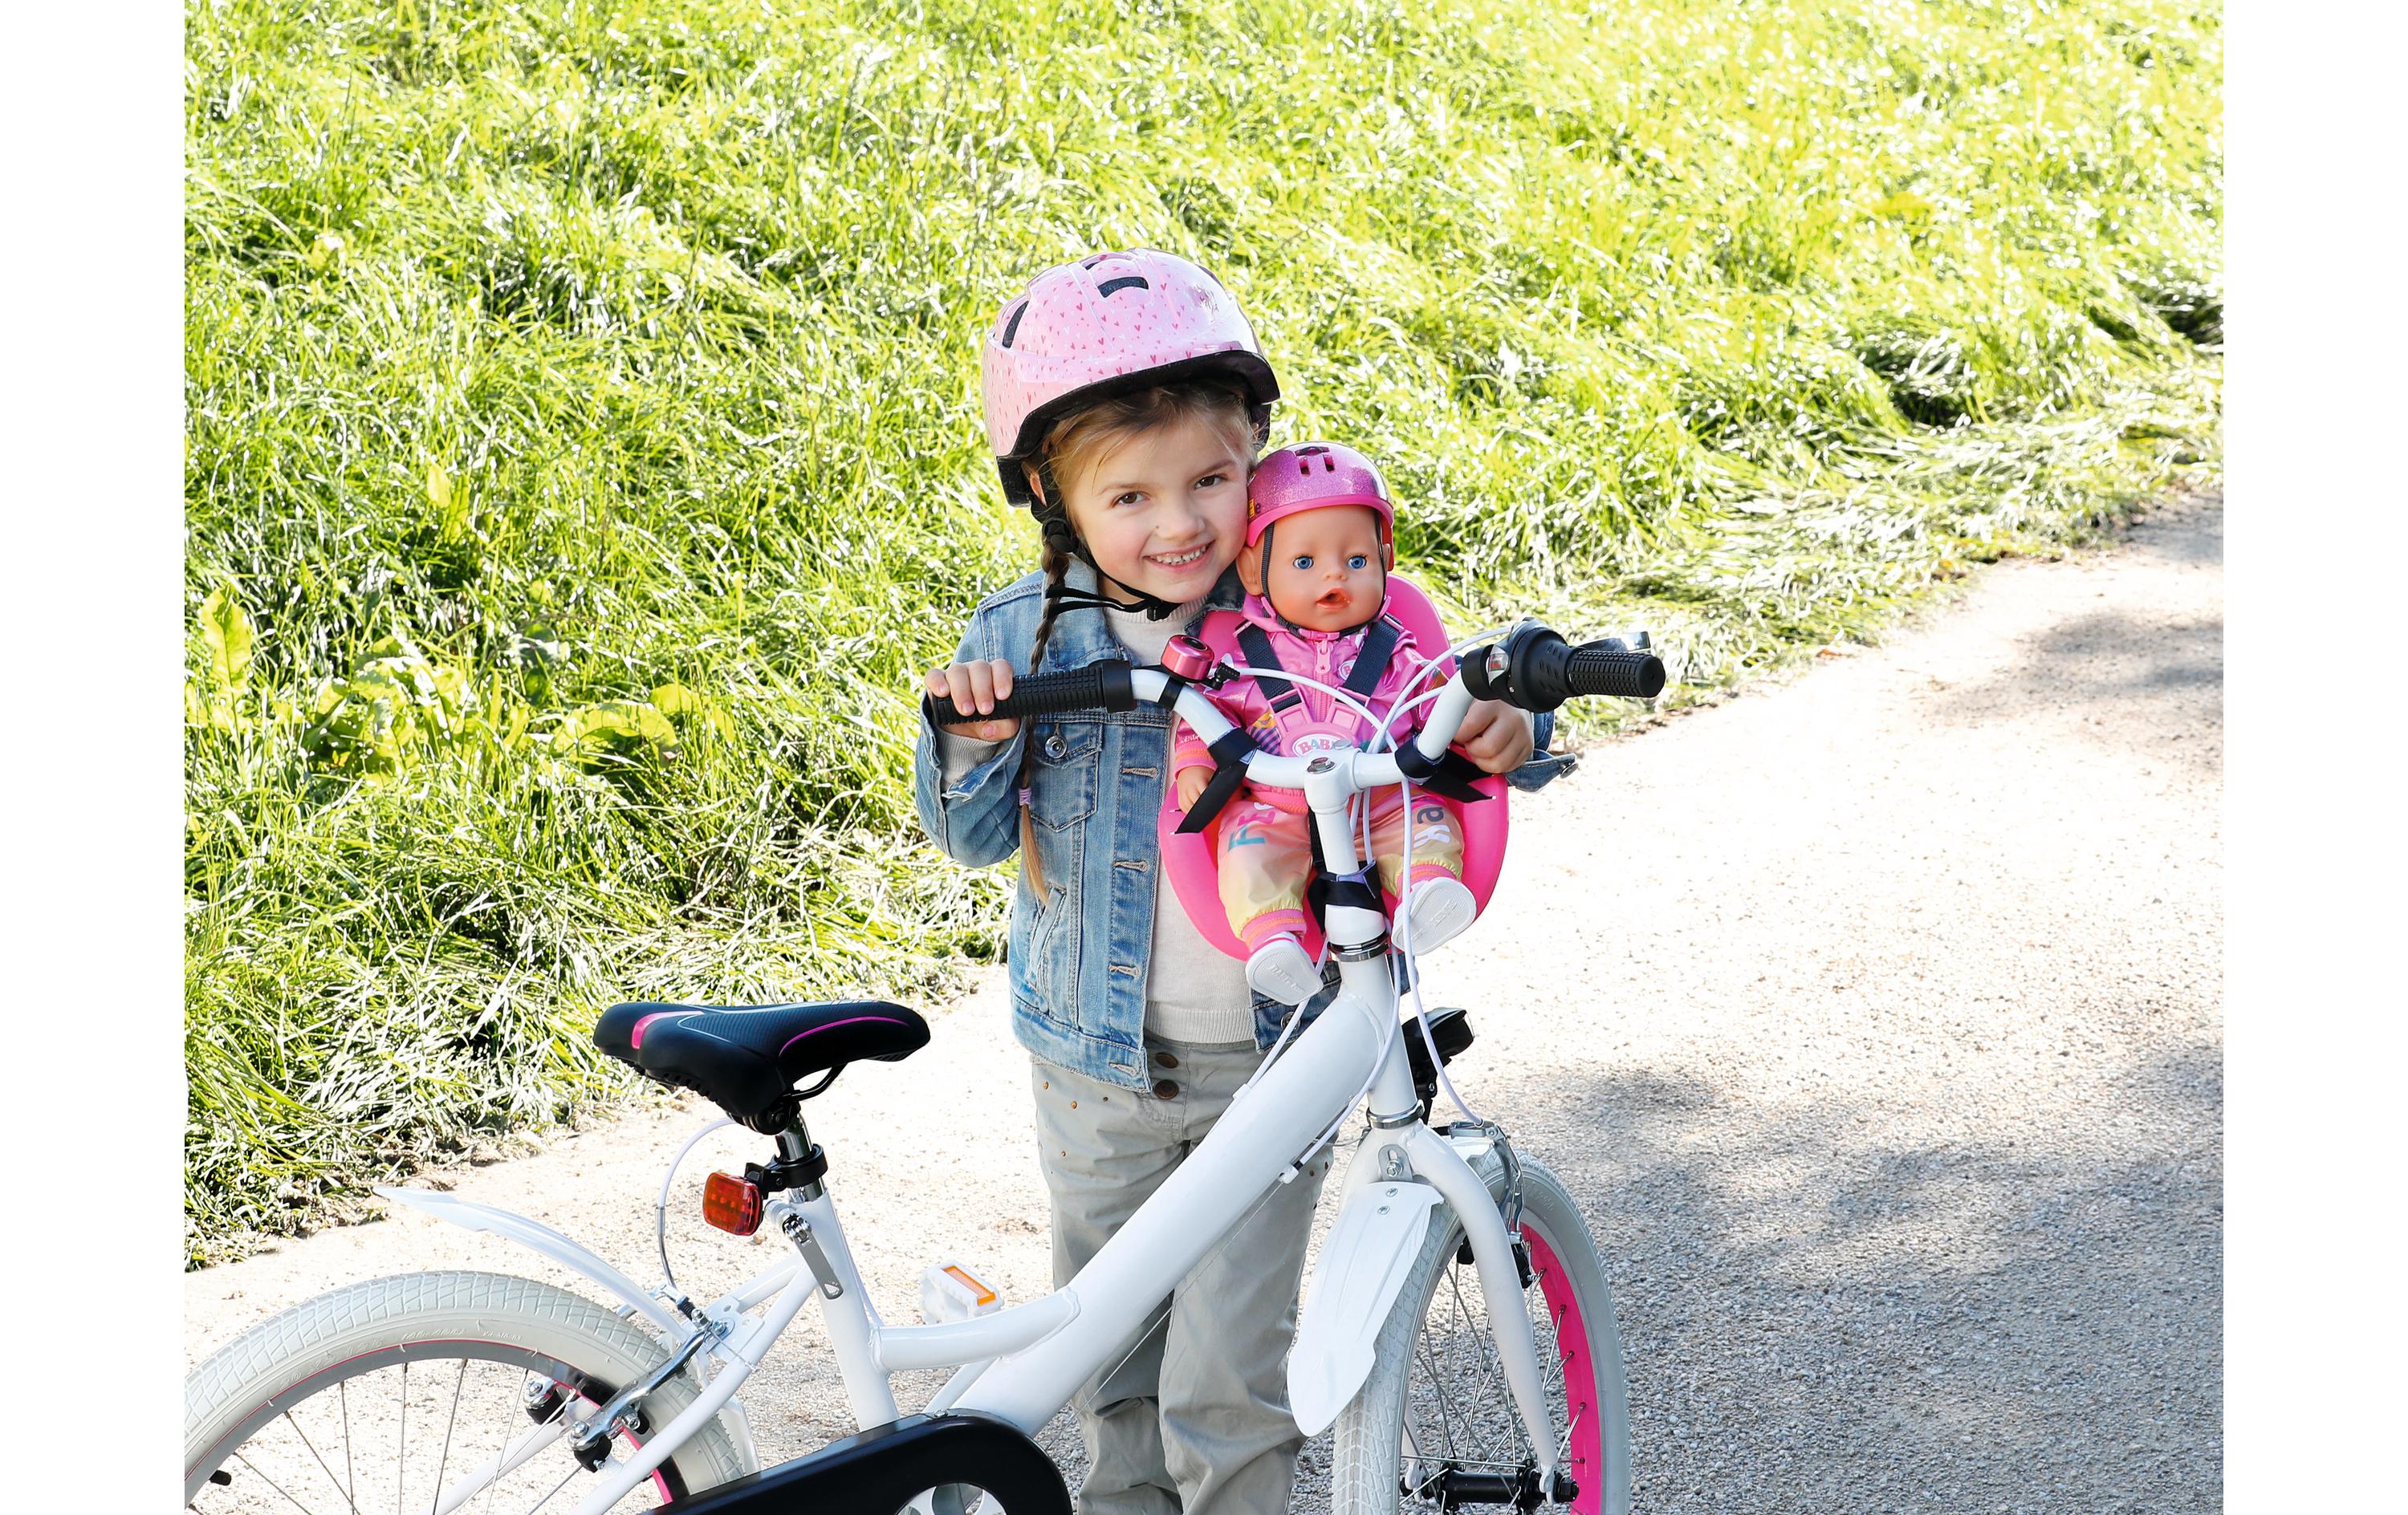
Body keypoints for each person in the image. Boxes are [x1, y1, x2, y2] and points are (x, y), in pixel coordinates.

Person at [912, 248, 1531, 1515]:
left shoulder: (1325, 619)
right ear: (1052, 496)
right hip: (1096, 1068)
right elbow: (972, 842)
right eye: (1129, 496)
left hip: (1274, 1056)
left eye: (1209, 479)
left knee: (1230, 1385)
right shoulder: (1027, 638)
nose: (1180, 523)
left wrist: (1496, 731)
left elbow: (1427, 717)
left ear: (1260, 450)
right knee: (1112, 1365)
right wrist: (970, 743)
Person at [1169, 441, 1477, 1006]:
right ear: (1253, 573)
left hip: (1378, 797)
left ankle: (1426, 891)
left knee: (1425, 819)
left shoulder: (1396, 653)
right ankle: (1273, 939)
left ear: (1385, 559)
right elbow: (1206, 714)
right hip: (1276, 806)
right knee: (1246, 847)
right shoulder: (1244, 660)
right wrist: (1195, 761)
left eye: (1357, 561)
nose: (1334, 575)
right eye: (1304, 563)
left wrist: (1466, 710)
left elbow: (1433, 697)